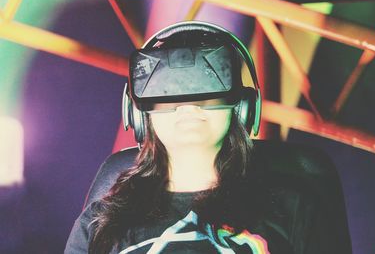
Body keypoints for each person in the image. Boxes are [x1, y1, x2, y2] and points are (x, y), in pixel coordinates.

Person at [65, 21, 352, 254]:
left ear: (241, 107)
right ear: (141, 115)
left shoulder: (293, 210)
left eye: (207, 90)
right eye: (170, 93)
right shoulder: (100, 222)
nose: (188, 107)